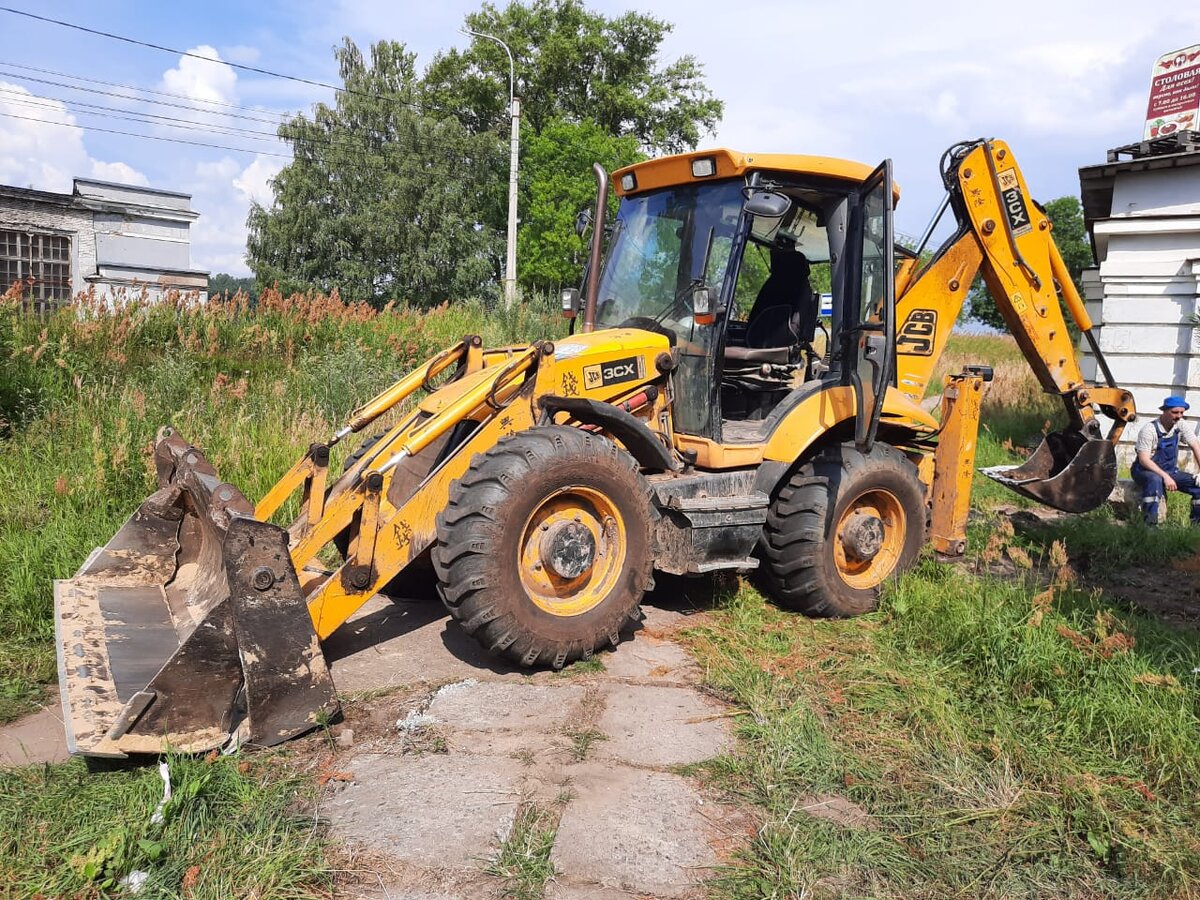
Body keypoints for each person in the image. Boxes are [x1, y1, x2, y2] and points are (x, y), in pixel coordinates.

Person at [1130, 395, 1200, 525]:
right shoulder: (1149, 430)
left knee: (1198, 486)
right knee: (1154, 480)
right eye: (1175, 412)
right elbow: (1144, 460)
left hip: (1170, 471)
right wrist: (1165, 477)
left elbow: (1195, 445)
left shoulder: (1180, 425)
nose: (1179, 416)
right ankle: (1150, 526)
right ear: (1164, 411)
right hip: (1143, 470)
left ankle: (1196, 526)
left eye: (1181, 413)